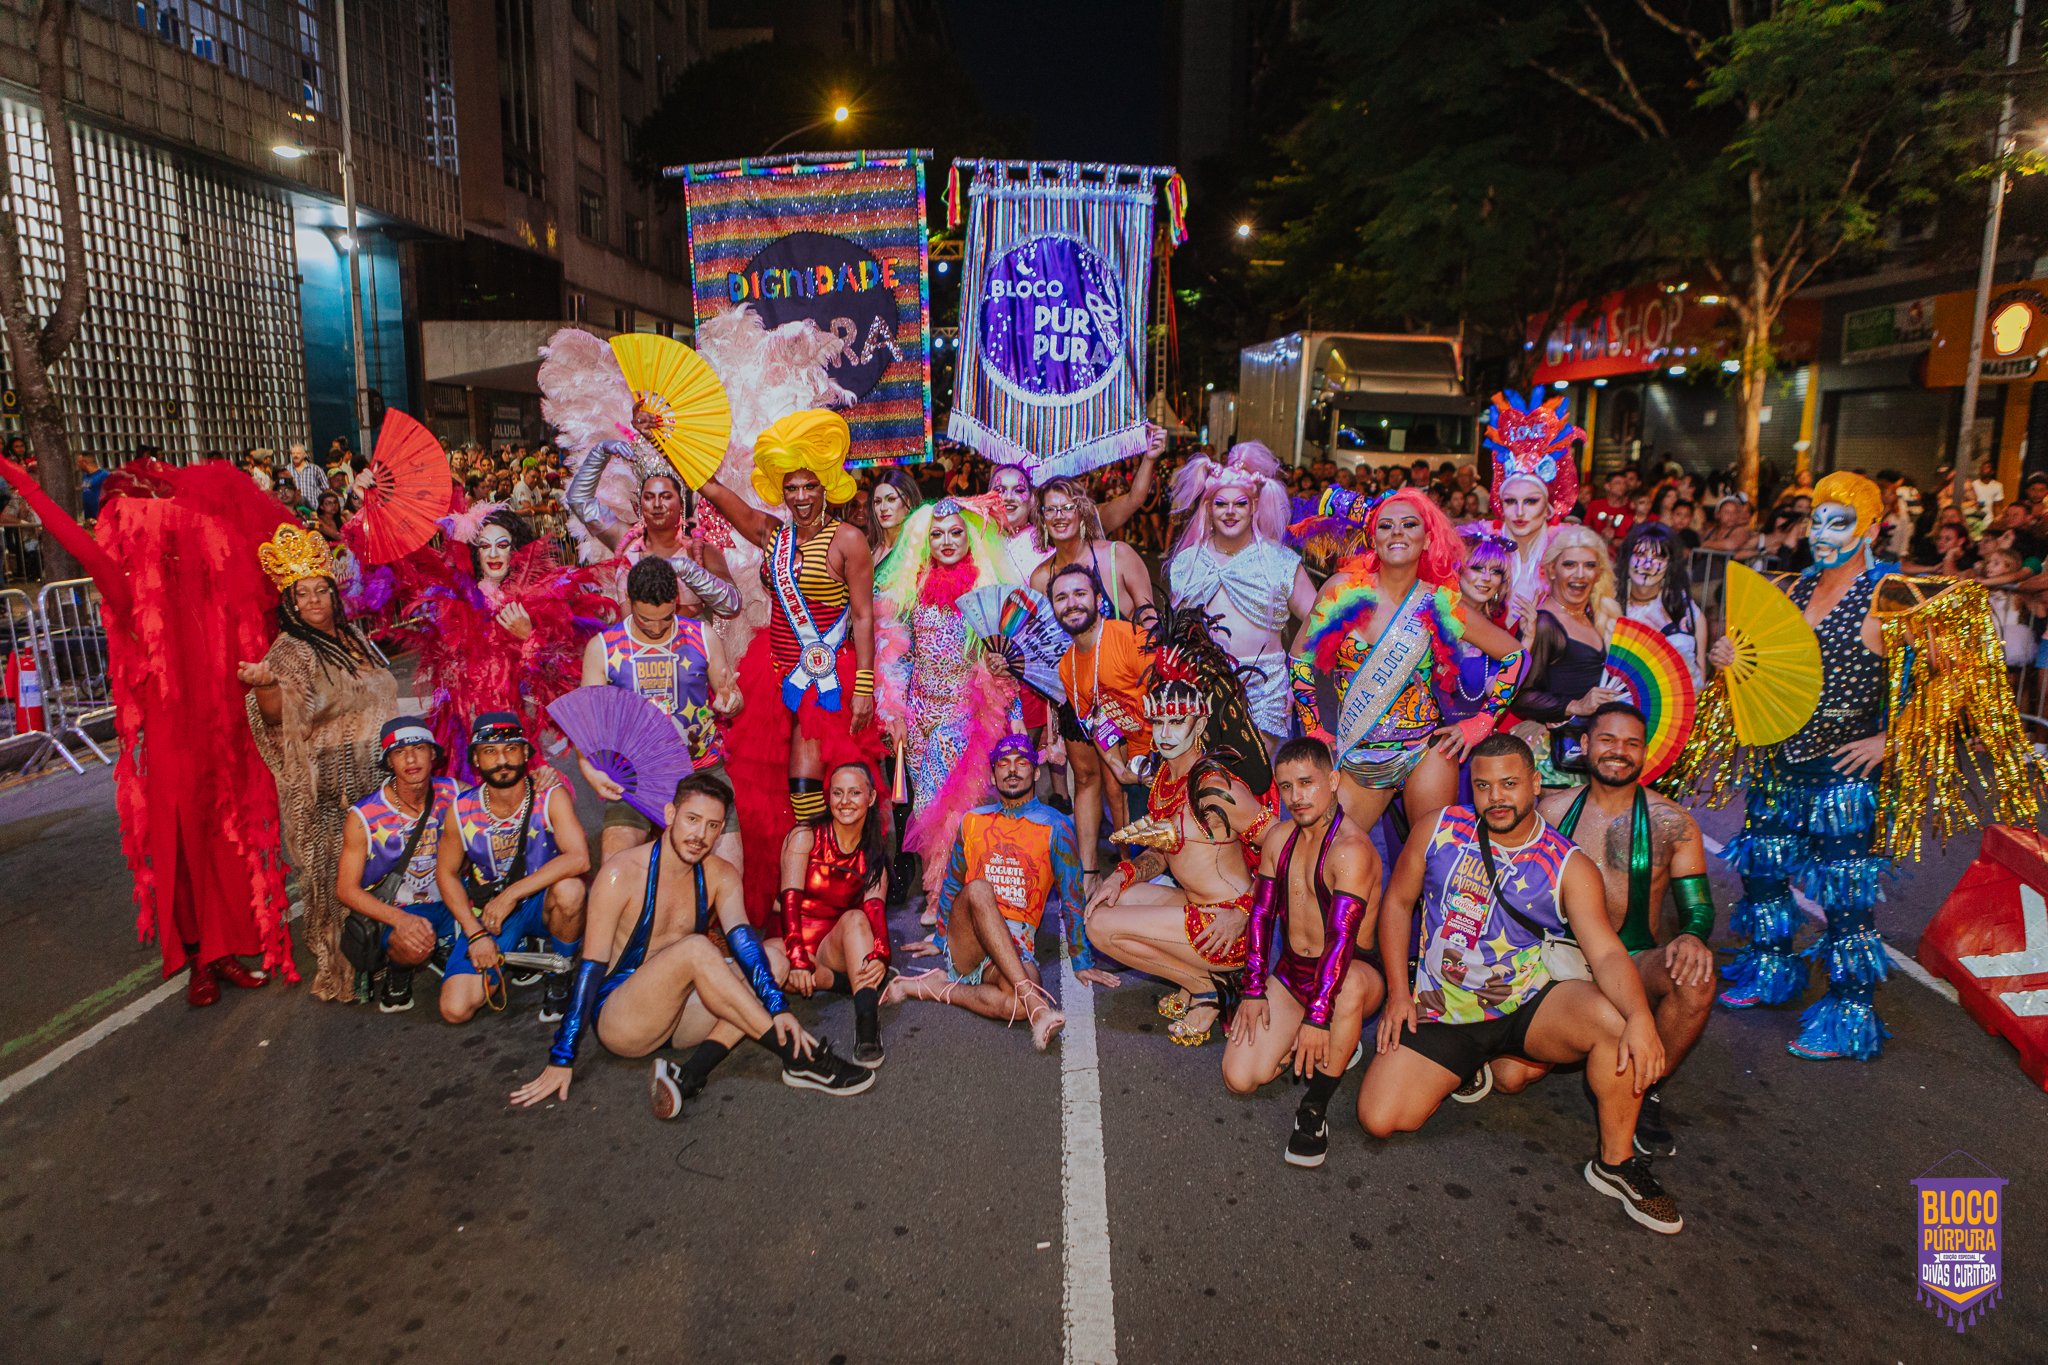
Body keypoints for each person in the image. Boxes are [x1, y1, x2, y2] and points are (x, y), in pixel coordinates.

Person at [1684, 471, 2040, 1059]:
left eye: (1840, 521)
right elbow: (1764, 668)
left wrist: (1894, 741)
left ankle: (1850, 1013)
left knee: (1846, 900)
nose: (1823, 533)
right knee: (1764, 876)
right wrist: (1730, 659)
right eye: (1816, 521)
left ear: (1871, 528)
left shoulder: (1890, 594)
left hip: (1842, 778)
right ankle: (1771, 972)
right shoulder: (1791, 589)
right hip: (1778, 763)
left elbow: (1952, 679)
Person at [1359, 732, 1683, 1235]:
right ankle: (1480, 1064)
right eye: (1484, 786)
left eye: (1510, 784)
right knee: (1380, 1118)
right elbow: (1398, 904)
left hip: (1527, 1002)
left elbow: (1605, 952)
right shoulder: (1438, 831)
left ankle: (1615, 1164)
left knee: (1616, 1024)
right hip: (1443, 1008)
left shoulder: (1567, 865)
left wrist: (1643, 1018)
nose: (1497, 798)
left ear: (1536, 783)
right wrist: (1399, 995)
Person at [0, 453, 292, 1004]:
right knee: (180, 843)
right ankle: (200, 958)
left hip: (224, 727)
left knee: (227, 838)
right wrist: (28, 489)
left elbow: (274, 570)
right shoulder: (129, 588)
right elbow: (79, 544)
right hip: (171, 734)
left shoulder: (218, 575)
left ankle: (224, 949)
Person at [511, 771, 874, 1113]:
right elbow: (590, 970)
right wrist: (562, 1057)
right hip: (624, 1021)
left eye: (713, 826)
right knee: (696, 949)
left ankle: (694, 1073)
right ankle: (799, 1057)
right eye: (692, 819)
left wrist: (778, 1008)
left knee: (774, 961)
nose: (700, 834)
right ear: (670, 814)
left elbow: (746, 946)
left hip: (683, 1017)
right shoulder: (620, 874)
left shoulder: (720, 875)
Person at [700, 411, 887, 937]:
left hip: (829, 679)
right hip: (774, 673)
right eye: (791, 487)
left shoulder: (848, 539)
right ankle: (785, 891)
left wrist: (867, 684)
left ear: (826, 485)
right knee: (764, 789)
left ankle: (830, 891)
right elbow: (715, 492)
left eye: (809, 485)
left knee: (814, 790)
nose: (801, 496)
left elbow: (864, 615)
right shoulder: (773, 534)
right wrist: (665, 437)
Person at [1511, 703, 1717, 1157]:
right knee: (1512, 1079)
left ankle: (1647, 1089)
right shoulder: (1551, 809)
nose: (1618, 752)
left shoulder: (1673, 822)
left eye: (1631, 744)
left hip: (1634, 961)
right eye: (1607, 740)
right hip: (1559, 961)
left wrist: (1693, 935)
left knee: (1696, 976)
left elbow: (1698, 907)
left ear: (1645, 753)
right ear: (1584, 745)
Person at [1082, 607, 1280, 1047]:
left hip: (1225, 929)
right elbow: (1163, 851)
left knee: (1098, 928)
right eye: (1160, 721)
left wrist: (1243, 912)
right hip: (1196, 909)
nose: (1167, 732)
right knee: (1107, 901)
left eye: (1178, 721)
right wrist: (1122, 874)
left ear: (1201, 722)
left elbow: (1285, 847)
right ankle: (1200, 981)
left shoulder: (1213, 786)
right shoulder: (1164, 780)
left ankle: (1207, 988)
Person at [1287, 488, 1526, 835]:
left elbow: (1515, 656)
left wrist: (1482, 723)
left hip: (1424, 751)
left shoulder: (1440, 602)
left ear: (1427, 539)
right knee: (1329, 850)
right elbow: (1300, 659)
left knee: (1429, 857)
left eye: (1409, 524)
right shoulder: (1341, 590)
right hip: (1359, 750)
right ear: (1373, 537)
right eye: (1386, 525)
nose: (1397, 531)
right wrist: (1313, 727)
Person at [241, 524, 400, 1001]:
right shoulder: (292, 650)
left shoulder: (352, 637)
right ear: (288, 604)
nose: (313, 601)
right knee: (338, 886)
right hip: (334, 794)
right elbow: (280, 715)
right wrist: (266, 686)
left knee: (386, 878)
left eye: (320, 591)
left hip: (378, 781)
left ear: (335, 595)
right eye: (301, 594)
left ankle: (390, 957)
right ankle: (344, 971)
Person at [1223, 738, 1387, 1168]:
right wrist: (1254, 989)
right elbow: (1261, 916)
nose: (1297, 796)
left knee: (1347, 988)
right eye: (1287, 787)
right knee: (1239, 1078)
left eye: (1307, 783)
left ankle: (1315, 1109)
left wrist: (1318, 1018)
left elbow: (1341, 941)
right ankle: (1327, 1044)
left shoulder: (1351, 850)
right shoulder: (1278, 839)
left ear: (1332, 781)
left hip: (1351, 973)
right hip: (1295, 971)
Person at [371, 503, 614, 781]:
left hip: (511, 741)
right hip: (460, 742)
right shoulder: (452, 598)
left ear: (516, 550)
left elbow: (560, 683)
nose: (494, 554)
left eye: (502, 544)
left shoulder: (534, 605)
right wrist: (372, 510)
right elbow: (396, 575)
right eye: (484, 546)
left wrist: (529, 637)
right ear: (475, 553)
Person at [886, 736, 1101, 1045]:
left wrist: (1082, 961)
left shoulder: (1057, 826)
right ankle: (1034, 999)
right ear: (992, 775)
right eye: (1003, 764)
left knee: (1016, 1005)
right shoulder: (972, 821)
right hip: (969, 936)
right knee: (979, 890)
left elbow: (1072, 895)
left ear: (1036, 773)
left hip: (1017, 944)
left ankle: (934, 987)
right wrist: (940, 937)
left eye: (1022, 763)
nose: (1012, 770)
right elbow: (953, 884)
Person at [873, 497, 1025, 910]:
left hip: (963, 714)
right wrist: (894, 712)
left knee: (956, 807)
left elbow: (1006, 657)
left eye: (956, 532)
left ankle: (945, 897)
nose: (946, 541)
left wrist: (998, 666)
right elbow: (895, 654)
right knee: (925, 810)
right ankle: (940, 890)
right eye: (937, 534)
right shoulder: (911, 587)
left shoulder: (987, 591)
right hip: (921, 713)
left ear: (970, 538)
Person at [577, 556, 741, 868]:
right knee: (615, 867)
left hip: (701, 768)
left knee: (729, 869)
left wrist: (731, 701)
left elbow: (730, 693)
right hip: (636, 777)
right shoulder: (603, 647)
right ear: (629, 602)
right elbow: (587, 723)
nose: (655, 627)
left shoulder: (703, 635)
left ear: (676, 601)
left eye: (665, 619)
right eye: (645, 619)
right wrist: (590, 771)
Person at [431, 713, 591, 1022]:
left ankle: (560, 968)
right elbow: (445, 874)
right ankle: (511, 950)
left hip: (541, 902)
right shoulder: (461, 810)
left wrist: (512, 895)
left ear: (526, 753)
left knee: (571, 890)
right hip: (488, 911)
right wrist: (474, 933)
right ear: (476, 759)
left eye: (511, 748)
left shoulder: (549, 796)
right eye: (490, 751)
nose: (502, 759)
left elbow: (579, 858)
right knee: (455, 1009)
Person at [1164, 442, 1318, 752]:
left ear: (1255, 506)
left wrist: (1299, 681)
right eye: (1221, 503)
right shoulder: (1187, 562)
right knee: (1206, 783)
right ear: (1208, 507)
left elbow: (1322, 620)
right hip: (1201, 685)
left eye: (1240, 503)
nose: (1230, 512)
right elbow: (1176, 633)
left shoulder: (1279, 561)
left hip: (1265, 689)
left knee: (1253, 781)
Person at [772, 760, 895, 1067]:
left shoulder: (874, 851)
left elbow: (875, 911)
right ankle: (840, 982)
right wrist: (797, 956)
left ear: (871, 798)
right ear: (828, 797)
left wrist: (881, 954)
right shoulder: (805, 835)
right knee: (768, 968)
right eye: (837, 793)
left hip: (831, 946)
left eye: (855, 793)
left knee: (856, 919)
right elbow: (788, 903)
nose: (845, 801)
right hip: (789, 941)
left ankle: (867, 1027)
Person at [335, 716, 458, 1014]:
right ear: (389, 761)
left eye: (418, 748)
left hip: (451, 899)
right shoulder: (364, 815)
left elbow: (505, 800)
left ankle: (445, 943)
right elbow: (346, 890)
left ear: (433, 754)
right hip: (400, 909)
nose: (411, 758)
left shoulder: (454, 792)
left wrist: (541, 780)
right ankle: (399, 970)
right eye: (400, 752)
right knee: (414, 944)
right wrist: (399, 920)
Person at [1049, 561, 1156, 875]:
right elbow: (1096, 724)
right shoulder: (1067, 666)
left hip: (1167, 765)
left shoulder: (1132, 638)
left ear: (1099, 600)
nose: (1071, 603)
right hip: (1137, 776)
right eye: (1061, 597)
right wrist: (1120, 770)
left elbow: (1170, 701)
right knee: (1147, 865)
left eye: (1079, 593)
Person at [566, 438, 743, 620]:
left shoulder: (701, 552)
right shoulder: (625, 540)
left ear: (681, 504)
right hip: (630, 648)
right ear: (641, 503)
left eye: (666, 496)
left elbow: (732, 606)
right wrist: (599, 453)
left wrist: (687, 570)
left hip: (687, 647)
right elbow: (579, 501)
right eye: (649, 497)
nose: (657, 504)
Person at [1508, 526, 1622, 787]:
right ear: (1551, 570)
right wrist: (1576, 705)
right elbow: (1519, 695)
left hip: (1590, 749)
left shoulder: (1595, 616)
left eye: (1589, 565)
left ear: (1599, 572)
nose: (1579, 575)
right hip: (1556, 760)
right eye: (1569, 564)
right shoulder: (1544, 623)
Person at [1480, 390, 1584, 633]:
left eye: (1530, 502)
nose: (1519, 512)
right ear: (1500, 504)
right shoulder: (1479, 549)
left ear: (1548, 508)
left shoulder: (1568, 553)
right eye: (1510, 501)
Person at [1617, 522, 1705, 684]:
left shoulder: (1688, 614)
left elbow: (1697, 681)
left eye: (1658, 557)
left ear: (1670, 564)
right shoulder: (1608, 605)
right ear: (1627, 558)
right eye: (1640, 554)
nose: (1648, 565)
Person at [865, 467, 924, 559]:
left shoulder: (920, 548)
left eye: (891, 499)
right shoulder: (868, 547)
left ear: (909, 501)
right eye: (877, 501)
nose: (883, 508)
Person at [1700, 492, 1761, 558]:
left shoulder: (1741, 531)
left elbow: (1730, 545)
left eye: (1734, 512)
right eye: (1727, 512)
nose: (1731, 516)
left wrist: (1707, 544)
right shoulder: (1710, 532)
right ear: (1718, 514)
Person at [1585, 471, 1635, 547]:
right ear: (1607, 486)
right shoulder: (1595, 505)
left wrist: (1613, 540)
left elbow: (1633, 538)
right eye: (1618, 483)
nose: (1622, 486)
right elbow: (1586, 528)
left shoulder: (1630, 509)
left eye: (1624, 483)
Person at [287, 442, 326, 507]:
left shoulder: (315, 469)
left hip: (313, 508)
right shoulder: (287, 470)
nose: (295, 455)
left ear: (304, 454)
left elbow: (325, 488)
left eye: (298, 453)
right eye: (293, 453)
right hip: (295, 509)